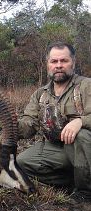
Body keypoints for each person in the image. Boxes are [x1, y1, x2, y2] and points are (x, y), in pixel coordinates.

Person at [17, 41, 91, 201]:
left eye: (64, 61)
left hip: (85, 147)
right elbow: (28, 126)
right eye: (54, 61)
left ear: (73, 62)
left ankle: (86, 193)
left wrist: (80, 122)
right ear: (47, 64)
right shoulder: (40, 94)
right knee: (21, 162)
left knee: (82, 135)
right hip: (59, 149)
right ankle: (75, 181)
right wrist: (12, 123)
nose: (59, 65)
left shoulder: (86, 86)